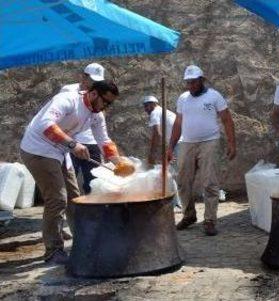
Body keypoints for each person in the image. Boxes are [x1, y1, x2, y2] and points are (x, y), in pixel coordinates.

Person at [20, 80, 134, 264]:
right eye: (105, 101)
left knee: (75, 198)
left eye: (110, 104)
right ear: (94, 93)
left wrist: (118, 163)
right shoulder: (68, 100)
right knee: (57, 199)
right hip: (38, 149)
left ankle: (83, 240)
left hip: (60, 151)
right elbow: (45, 125)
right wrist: (72, 144)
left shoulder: (97, 114)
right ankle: (53, 251)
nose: (106, 106)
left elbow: (104, 141)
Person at [168, 65, 236, 236]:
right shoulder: (183, 98)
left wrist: (231, 143)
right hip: (187, 143)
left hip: (210, 142)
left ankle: (210, 220)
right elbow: (178, 123)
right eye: (188, 82)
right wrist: (170, 147)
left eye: (193, 82)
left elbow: (227, 120)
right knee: (183, 181)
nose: (190, 85)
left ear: (202, 80)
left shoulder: (214, 96)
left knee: (210, 183)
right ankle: (189, 215)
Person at [60, 63, 106, 194]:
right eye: (92, 80)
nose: (94, 84)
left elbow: (100, 119)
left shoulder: (99, 94)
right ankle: (72, 212)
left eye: (98, 82)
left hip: (92, 142)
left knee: (93, 181)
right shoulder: (68, 91)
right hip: (72, 143)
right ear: (84, 77)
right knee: (70, 181)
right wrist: (71, 143)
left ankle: (93, 211)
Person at [143, 96, 177, 165]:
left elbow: (157, 134)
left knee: (176, 171)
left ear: (154, 104)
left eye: (147, 106)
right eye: (144, 107)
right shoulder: (164, 112)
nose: (145, 109)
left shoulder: (154, 113)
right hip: (180, 143)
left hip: (177, 145)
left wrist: (152, 154)